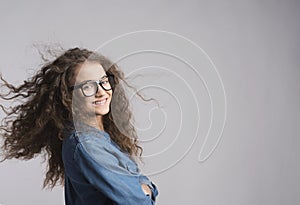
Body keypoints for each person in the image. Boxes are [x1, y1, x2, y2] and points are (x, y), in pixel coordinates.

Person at [0, 47, 158, 205]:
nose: (101, 92)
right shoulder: (87, 144)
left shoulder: (98, 137)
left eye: (103, 81)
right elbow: (138, 201)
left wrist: (143, 188)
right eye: (88, 86)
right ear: (67, 96)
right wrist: (147, 189)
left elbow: (137, 187)